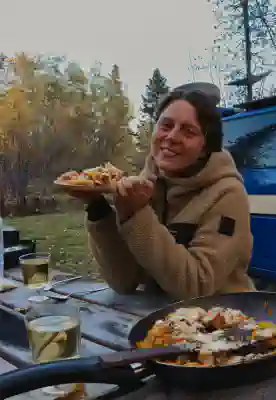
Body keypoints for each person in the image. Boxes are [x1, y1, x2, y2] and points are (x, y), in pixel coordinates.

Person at [65, 82, 255, 299]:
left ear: (205, 149)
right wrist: (98, 208)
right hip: (160, 320)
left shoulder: (227, 193)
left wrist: (138, 215)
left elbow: (197, 285)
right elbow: (123, 281)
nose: (172, 136)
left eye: (188, 131)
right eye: (166, 125)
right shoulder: (146, 183)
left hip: (220, 320)